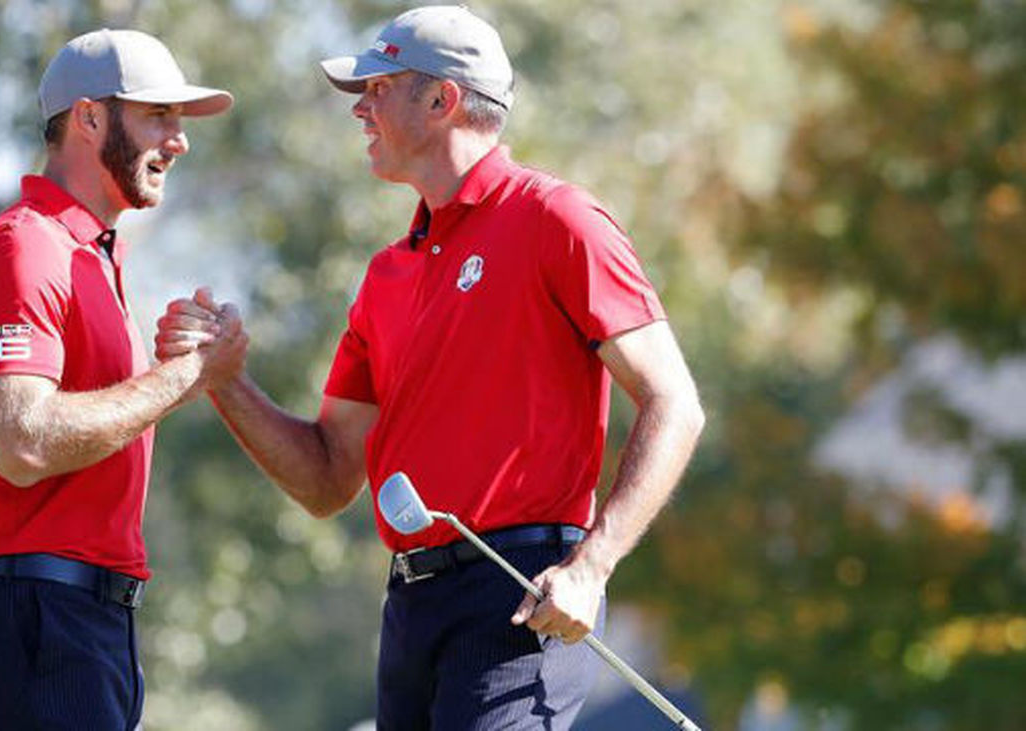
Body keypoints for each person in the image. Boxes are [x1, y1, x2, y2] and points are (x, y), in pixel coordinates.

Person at [159, 5, 705, 729]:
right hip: (412, 608)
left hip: (523, 595)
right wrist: (224, 380)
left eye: (378, 89)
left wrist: (592, 566)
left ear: (442, 100)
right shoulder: (387, 273)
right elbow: (327, 478)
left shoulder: (557, 219)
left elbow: (675, 402)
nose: (360, 109)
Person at [0, 29, 245, 729]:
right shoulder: (25, 249)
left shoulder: (88, 255)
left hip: (77, 623)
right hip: (36, 621)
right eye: (157, 115)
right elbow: (21, 442)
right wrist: (185, 377)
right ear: (87, 118)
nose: (178, 140)